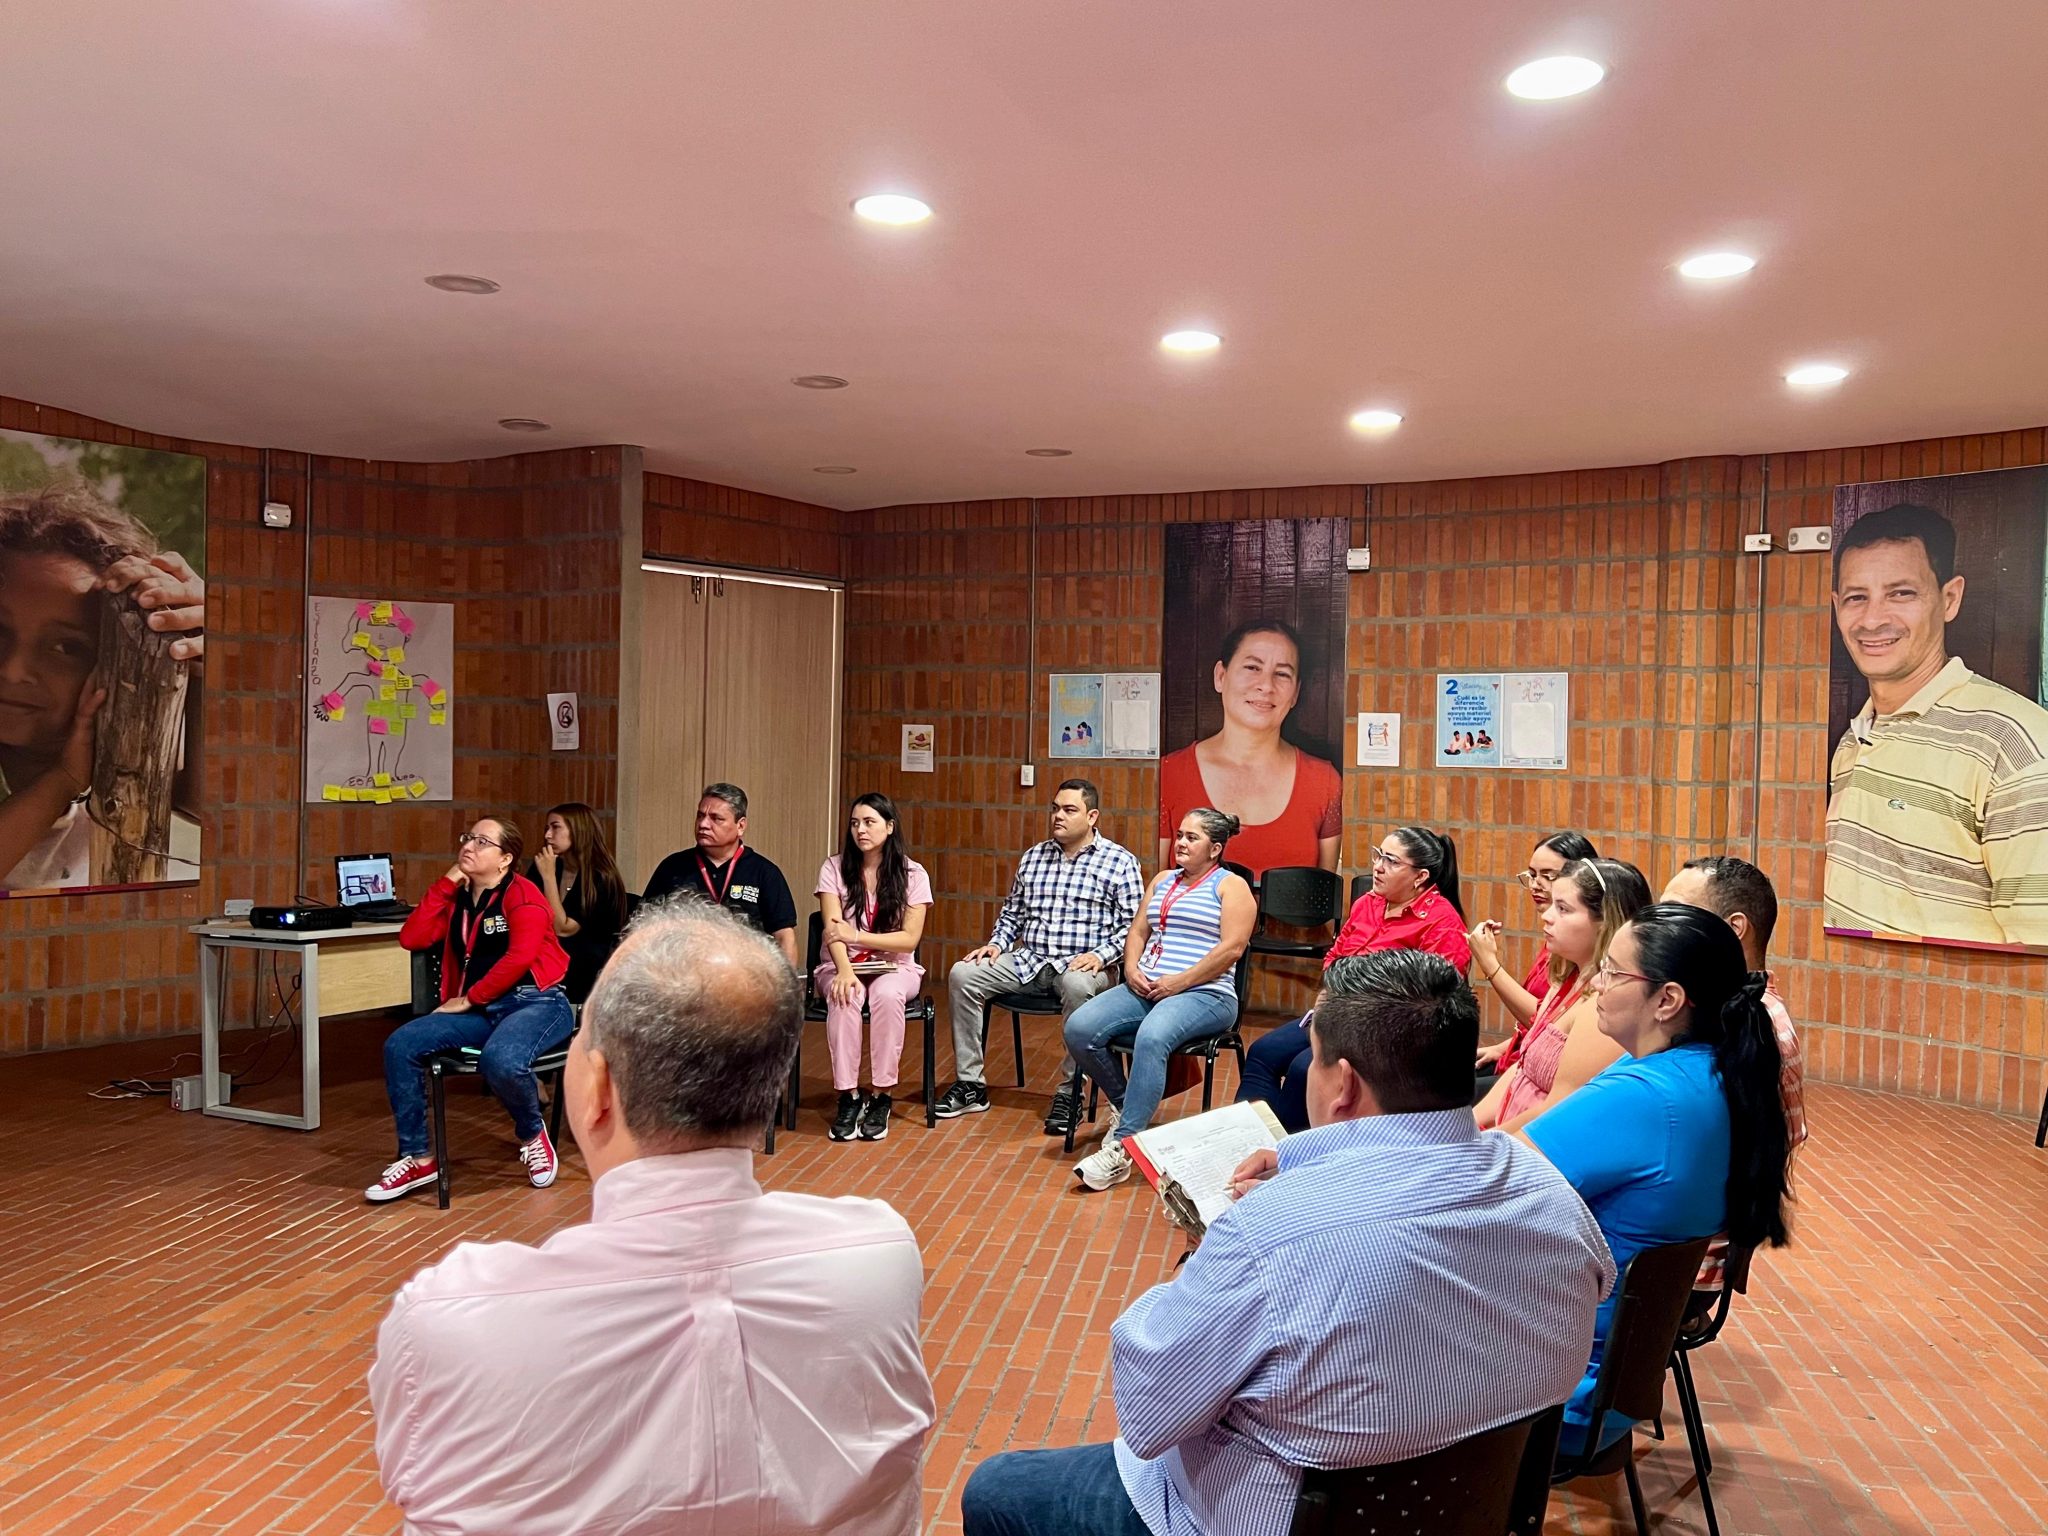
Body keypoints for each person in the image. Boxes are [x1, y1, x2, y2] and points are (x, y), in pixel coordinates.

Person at [961, 950, 1613, 1536]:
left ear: (1343, 1083)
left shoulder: (1267, 1233)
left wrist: (1207, 1257)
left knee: (998, 1489)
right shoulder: (1548, 1192)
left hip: (1246, 1515)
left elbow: (1150, 1413)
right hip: (1473, 1512)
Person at [370, 900, 935, 1535]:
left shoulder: (449, 1316)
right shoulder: (880, 1255)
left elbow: (415, 1488)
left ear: (598, 1088)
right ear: (771, 1086)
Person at [1521, 902, 1793, 1456]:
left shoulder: (1648, 1096)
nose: (1596, 983)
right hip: (1607, 1389)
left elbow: (1488, 1178)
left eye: (1612, 972)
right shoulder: (1711, 1068)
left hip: (1556, 1397)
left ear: (1667, 1000)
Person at [1826, 503, 2048, 948]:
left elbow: (2036, 948)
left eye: (1901, 593)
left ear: (1950, 599)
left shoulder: (2016, 744)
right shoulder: (1856, 737)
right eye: (1856, 597)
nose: (1872, 619)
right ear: (1836, 606)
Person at [0, 481, 204, 889]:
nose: (13, 671)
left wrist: (205, 662)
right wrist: (63, 780)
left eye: (65, 647)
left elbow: (214, 803)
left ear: (115, 661)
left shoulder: (128, 760)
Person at [369, 818, 575, 1203]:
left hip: (537, 1002)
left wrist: (469, 998)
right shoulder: (458, 899)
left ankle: (532, 1134)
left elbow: (519, 958)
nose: (469, 846)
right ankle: (418, 1157)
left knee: (501, 1060)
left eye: (482, 842)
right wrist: (447, 883)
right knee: (401, 1045)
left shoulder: (524, 895)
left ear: (505, 859)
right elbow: (412, 937)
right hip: (482, 1011)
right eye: (468, 838)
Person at [936, 779, 1145, 1134]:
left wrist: (1101, 955)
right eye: (1055, 808)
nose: (1058, 816)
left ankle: (1070, 1093)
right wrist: (997, 944)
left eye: (1069, 810)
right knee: (963, 973)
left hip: (1085, 965)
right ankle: (971, 1084)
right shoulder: (1034, 857)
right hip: (1030, 960)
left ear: (1092, 816)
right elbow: (1012, 913)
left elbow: (1134, 927)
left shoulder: (1120, 862)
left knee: (1077, 985)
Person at [1066, 809, 1256, 1192]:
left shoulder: (1231, 886)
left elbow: (1232, 949)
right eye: (1180, 835)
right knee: (1079, 1028)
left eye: (1192, 837)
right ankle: (1128, 1105)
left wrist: (1179, 982)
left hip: (1206, 994)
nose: (1181, 843)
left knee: (1152, 1037)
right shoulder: (1163, 880)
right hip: (1148, 987)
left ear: (1215, 849)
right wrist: (1131, 968)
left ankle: (1124, 1147)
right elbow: (1137, 931)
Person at [1235, 825, 1470, 1133]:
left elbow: (1436, 1001)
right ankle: (1252, 1140)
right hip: (1336, 1013)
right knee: (1263, 1053)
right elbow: (1334, 956)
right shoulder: (1368, 903)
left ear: (1420, 876)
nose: (1378, 867)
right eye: (1378, 855)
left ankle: (1293, 1152)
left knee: (1304, 1069)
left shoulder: (1443, 922)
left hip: (1383, 1032)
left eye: (1391, 861)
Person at [1661, 854, 1810, 1291]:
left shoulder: (1748, 1028)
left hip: (1672, 1267)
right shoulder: (1741, 1014)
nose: (1660, 925)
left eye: (1676, 911)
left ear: (1734, 928)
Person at [1473, 857, 1650, 1134]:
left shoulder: (1603, 1005)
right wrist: (1471, 1125)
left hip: (1537, 1144)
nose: (1547, 916)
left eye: (1563, 908)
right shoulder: (1567, 977)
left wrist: (1481, 1147)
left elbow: (1556, 1110)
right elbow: (1522, 1070)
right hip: (1507, 1133)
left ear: (1605, 921)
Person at [1157, 619, 1341, 878]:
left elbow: (1326, 890)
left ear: (1296, 693)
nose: (1266, 686)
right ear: (1221, 676)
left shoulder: (1324, 781)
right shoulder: (1169, 773)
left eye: (1282, 674)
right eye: (1253, 667)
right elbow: (1156, 884)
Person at [817, 792, 934, 1142]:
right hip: (843, 963)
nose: (861, 830)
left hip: (895, 966)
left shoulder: (913, 874)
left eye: (869, 822)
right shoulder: (833, 867)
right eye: (855, 823)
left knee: (886, 995)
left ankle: (882, 1094)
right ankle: (848, 1095)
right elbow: (832, 930)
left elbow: (909, 940)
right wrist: (844, 970)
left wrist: (857, 935)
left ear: (890, 826)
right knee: (845, 995)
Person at [1469, 831, 1601, 1086]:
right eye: (1531, 874)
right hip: (1519, 1059)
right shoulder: (1556, 936)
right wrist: (1503, 1047)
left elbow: (1547, 1020)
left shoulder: (1584, 952)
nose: (1535, 884)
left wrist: (1490, 964)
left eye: (1548, 876)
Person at [643, 783, 799, 968]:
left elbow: (784, 937)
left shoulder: (764, 873)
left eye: (716, 818)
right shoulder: (672, 868)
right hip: (682, 972)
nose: (703, 824)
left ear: (740, 826)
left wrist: (784, 983)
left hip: (745, 974)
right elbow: (644, 927)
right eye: (700, 816)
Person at [530, 801, 629, 1005]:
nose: (547, 835)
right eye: (547, 828)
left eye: (555, 827)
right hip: (547, 959)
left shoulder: (600, 877)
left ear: (578, 830)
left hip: (585, 967)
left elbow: (563, 928)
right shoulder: (550, 866)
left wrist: (548, 878)